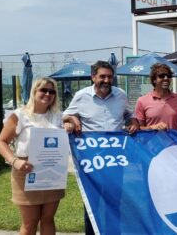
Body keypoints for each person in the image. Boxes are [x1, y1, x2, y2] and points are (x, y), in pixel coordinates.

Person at [63, 60, 139, 235]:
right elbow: (66, 114)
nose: (106, 80)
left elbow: (129, 114)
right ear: (93, 77)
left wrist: (133, 122)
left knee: (115, 201)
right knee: (92, 203)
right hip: (91, 159)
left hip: (115, 159)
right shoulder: (81, 96)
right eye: (102, 76)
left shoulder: (120, 94)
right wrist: (73, 119)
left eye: (110, 77)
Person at [0, 77, 69, 235]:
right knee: (29, 224)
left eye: (52, 91)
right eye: (43, 90)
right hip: (26, 172)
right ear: (34, 91)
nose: (48, 94)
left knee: (48, 219)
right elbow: (1, 141)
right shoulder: (20, 115)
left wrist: (70, 122)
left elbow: (69, 126)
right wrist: (14, 161)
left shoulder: (58, 116)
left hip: (52, 173)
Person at [135, 63, 177, 131]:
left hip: (174, 141)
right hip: (152, 141)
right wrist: (152, 128)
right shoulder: (142, 101)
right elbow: (138, 128)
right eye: (162, 76)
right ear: (154, 80)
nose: (166, 78)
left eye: (168, 76)